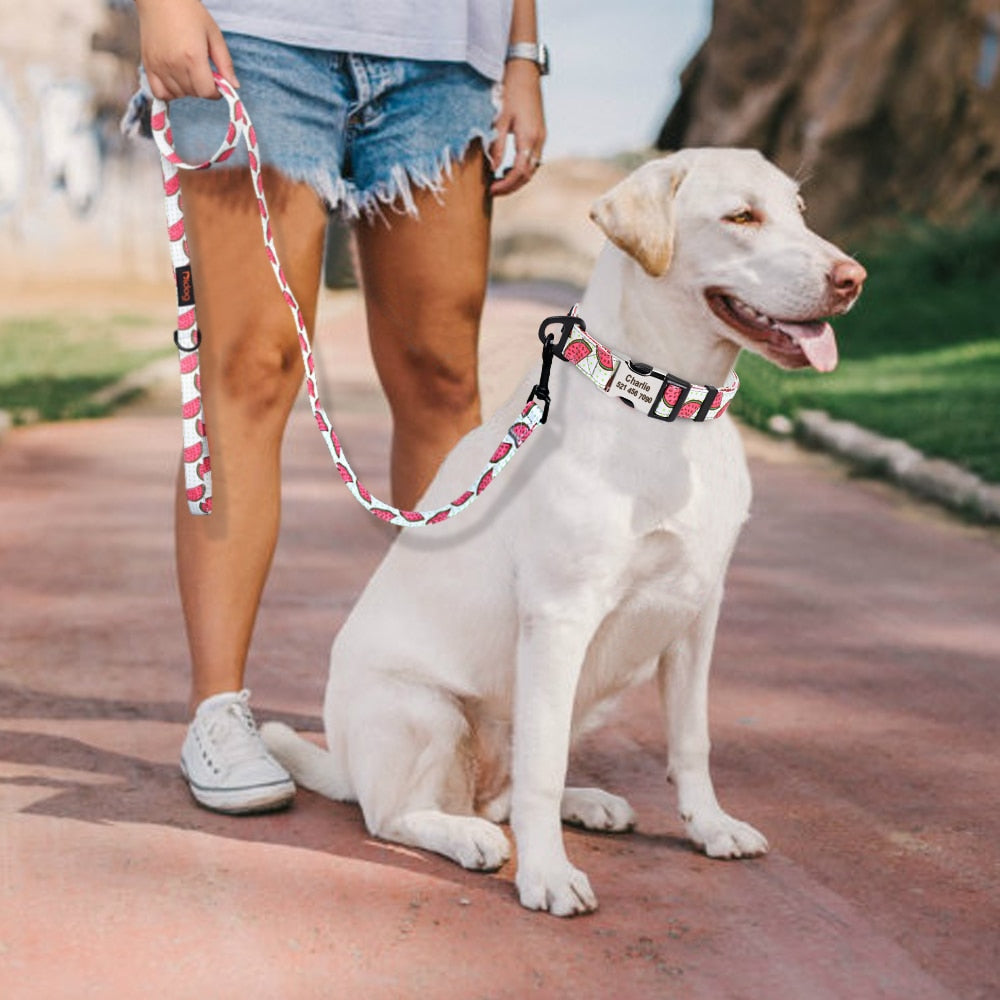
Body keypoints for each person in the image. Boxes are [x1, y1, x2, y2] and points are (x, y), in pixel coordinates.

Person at [131, 0, 546, 814]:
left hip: (443, 55)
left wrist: (524, 52)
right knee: (248, 369)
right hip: (254, 36)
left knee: (441, 377)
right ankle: (217, 710)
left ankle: (451, 710)